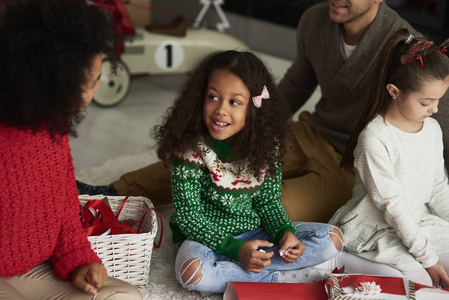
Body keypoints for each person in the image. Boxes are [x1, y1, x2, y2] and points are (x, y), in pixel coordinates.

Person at [76, 0, 434, 224]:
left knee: (270, 207)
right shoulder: (314, 21)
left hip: (352, 163)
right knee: (205, 155)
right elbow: (296, 83)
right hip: (310, 132)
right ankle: (112, 190)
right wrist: (251, 123)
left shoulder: (404, 46)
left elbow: (433, 115)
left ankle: (209, 225)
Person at [152, 50, 343, 294]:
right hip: (204, 241)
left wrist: (285, 233)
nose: (220, 110)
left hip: (254, 233)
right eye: (213, 97)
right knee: (192, 272)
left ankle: (243, 272)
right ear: (200, 97)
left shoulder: (265, 147)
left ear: (253, 109)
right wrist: (235, 250)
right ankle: (280, 277)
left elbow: (268, 203)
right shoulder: (189, 149)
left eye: (234, 102)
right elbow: (190, 218)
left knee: (333, 239)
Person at [0, 0, 142, 299]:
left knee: (124, 297)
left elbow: (62, 199)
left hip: (34, 267)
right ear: (56, 81)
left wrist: (78, 259)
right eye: (91, 83)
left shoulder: (53, 126)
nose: (96, 90)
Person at [329, 29, 449, 287]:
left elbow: (438, 187)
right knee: (420, 284)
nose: (435, 108)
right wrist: (428, 260)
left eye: (439, 99)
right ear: (394, 91)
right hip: (375, 230)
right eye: (427, 101)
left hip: (419, 220)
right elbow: (392, 207)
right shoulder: (375, 138)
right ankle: (340, 259)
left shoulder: (432, 128)